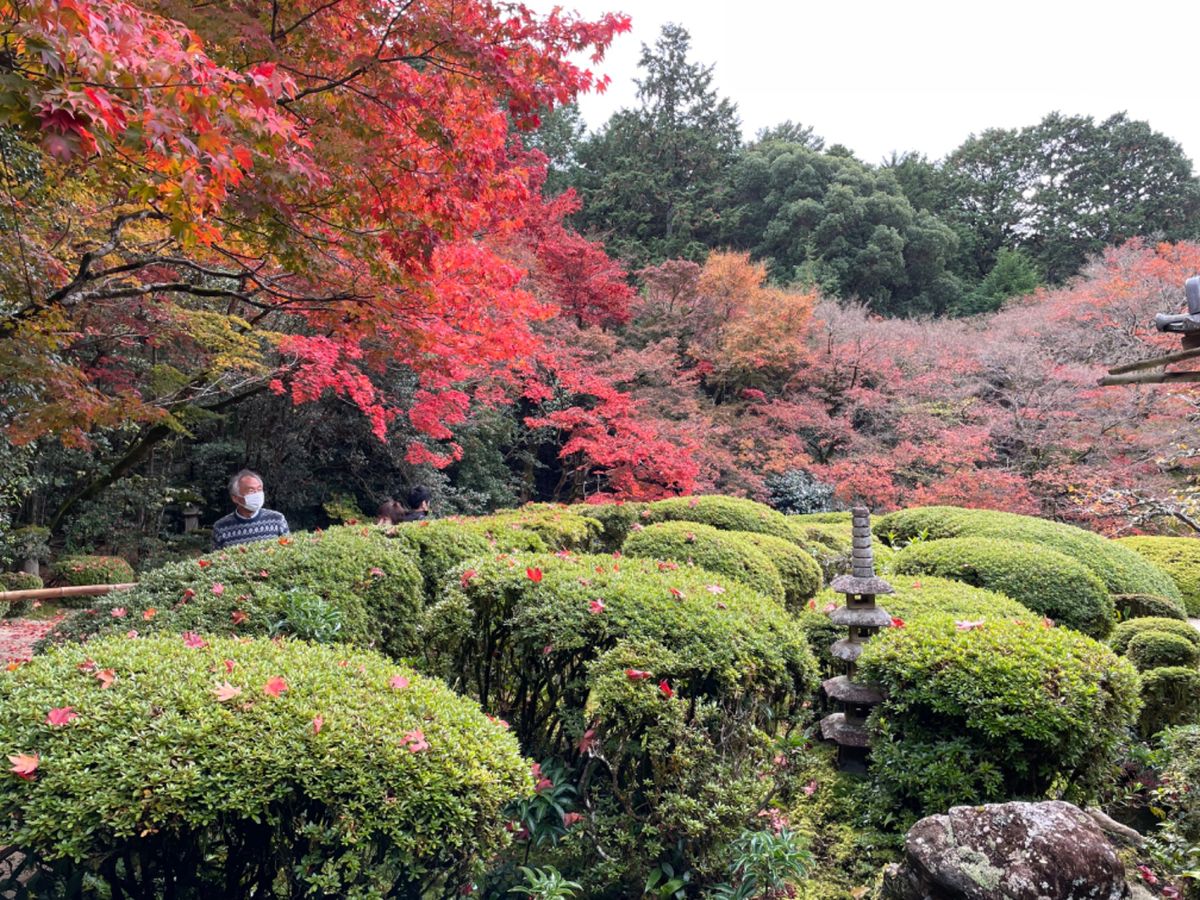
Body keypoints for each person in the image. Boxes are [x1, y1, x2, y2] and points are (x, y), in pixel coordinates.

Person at [212, 469, 290, 550]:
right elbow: (218, 559)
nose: (257, 494)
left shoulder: (277, 519)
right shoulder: (221, 528)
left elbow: (289, 551)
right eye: (251, 491)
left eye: (259, 489)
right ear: (235, 498)